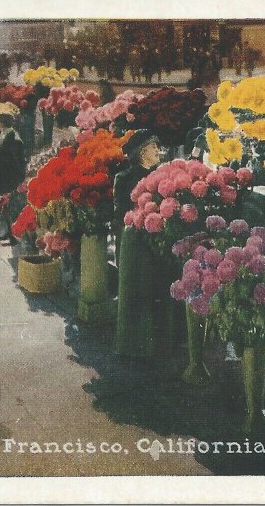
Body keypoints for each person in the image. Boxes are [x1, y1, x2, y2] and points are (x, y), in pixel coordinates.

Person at [113, 129, 173, 358]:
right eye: (153, 147)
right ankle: (134, 348)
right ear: (141, 152)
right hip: (135, 242)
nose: (158, 151)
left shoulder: (162, 176)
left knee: (158, 291)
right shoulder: (124, 177)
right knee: (137, 292)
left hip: (159, 243)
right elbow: (120, 214)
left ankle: (157, 346)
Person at [0, 113, 26, 245]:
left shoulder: (13, 137)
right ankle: (9, 231)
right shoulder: (4, 133)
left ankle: (13, 235)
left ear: (2, 123)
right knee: (5, 205)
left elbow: (15, 160)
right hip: (4, 175)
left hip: (10, 177)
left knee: (9, 205)